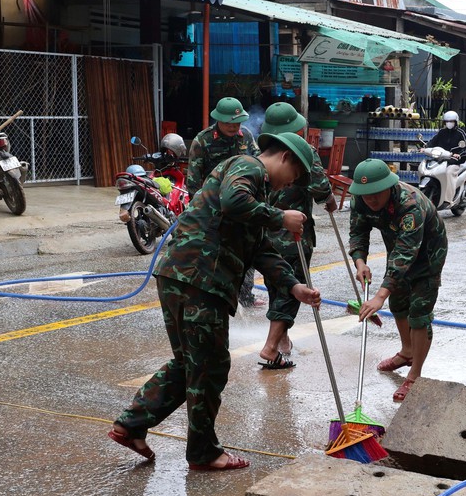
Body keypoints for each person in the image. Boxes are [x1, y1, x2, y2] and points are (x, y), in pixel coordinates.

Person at [109, 132, 320, 471]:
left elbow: (261, 250)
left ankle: (131, 425)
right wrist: (281, 217)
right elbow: (232, 202)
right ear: (283, 159)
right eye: (294, 175)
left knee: (189, 362)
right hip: (199, 279)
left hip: (183, 275)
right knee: (210, 367)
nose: (290, 185)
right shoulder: (248, 167)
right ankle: (204, 452)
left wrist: (294, 287)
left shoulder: (258, 189)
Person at [347, 159, 448, 403]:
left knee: (419, 312)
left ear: (388, 186)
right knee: (399, 303)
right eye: (365, 195)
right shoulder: (360, 199)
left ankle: (414, 375)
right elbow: (358, 232)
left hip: (427, 254)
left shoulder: (410, 204)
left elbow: (406, 253)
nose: (370, 200)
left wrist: (379, 296)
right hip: (398, 248)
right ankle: (407, 352)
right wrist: (360, 262)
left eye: (375, 194)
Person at [255, 103, 335, 370]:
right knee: (292, 286)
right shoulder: (303, 152)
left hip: (265, 230)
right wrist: (329, 199)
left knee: (275, 282)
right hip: (293, 231)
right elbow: (319, 187)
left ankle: (282, 337)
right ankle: (271, 345)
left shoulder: (259, 152)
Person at [186, 96, 261, 308]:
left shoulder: (245, 136)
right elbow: (194, 179)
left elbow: (258, 160)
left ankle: (246, 297)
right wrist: (199, 209)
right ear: (218, 120)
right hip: (213, 204)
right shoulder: (203, 140)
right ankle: (211, 296)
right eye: (228, 122)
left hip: (241, 200)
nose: (233, 127)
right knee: (212, 251)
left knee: (246, 248)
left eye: (237, 122)